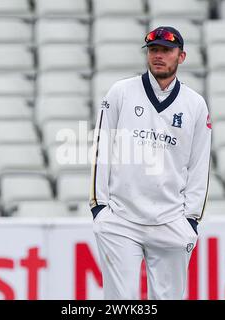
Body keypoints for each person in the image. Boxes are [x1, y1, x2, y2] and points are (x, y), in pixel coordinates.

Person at [89, 26, 212, 300]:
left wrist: (190, 220)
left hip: (170, 222)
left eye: (166, 50)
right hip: (121, 219)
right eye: (154, 50)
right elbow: (102, 150)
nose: (158, 55)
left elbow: (200, 165)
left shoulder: (195, 105)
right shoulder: (120, 92)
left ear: (181, 57)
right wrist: (100, 208)